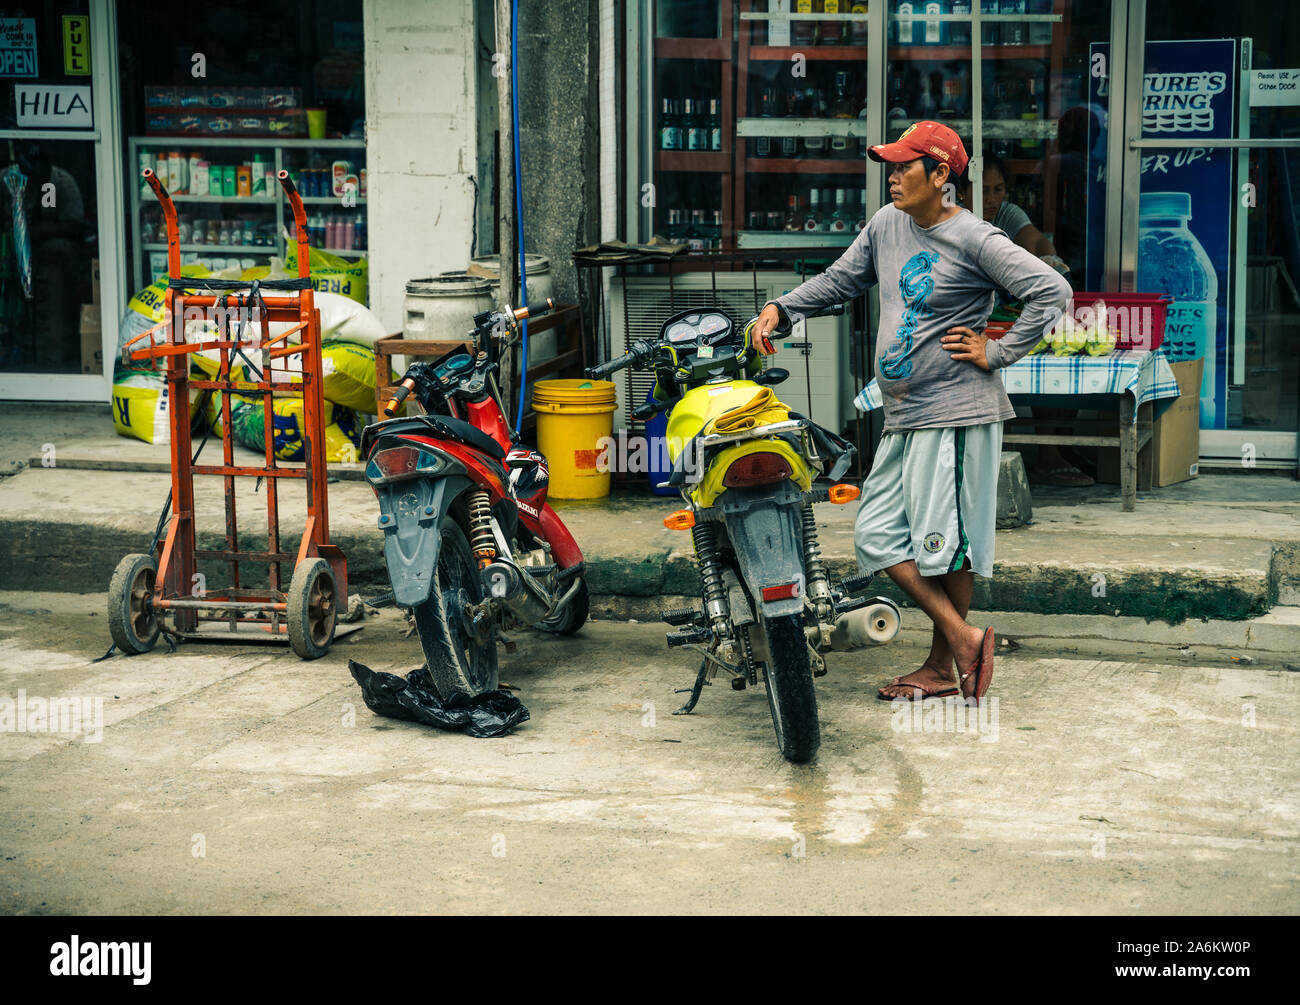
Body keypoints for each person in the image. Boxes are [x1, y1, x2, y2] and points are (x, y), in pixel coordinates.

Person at [751, 120, 1071, 703]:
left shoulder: (975, 239)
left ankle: (942, 665)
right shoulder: (887, 225)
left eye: (905, 167)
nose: (893, 177)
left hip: (954, 412)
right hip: (904, 413)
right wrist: (782, 308)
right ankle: (962, 638)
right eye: (891, 167)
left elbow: (1052, 292)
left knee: (944, 544)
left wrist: (997, 351)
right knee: (876, 535)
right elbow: (840, 280)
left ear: (941, 175)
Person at [961, 154, 1091, 486]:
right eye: (984, 190)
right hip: (968, 317)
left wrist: (1047, 257)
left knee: (1054, 366)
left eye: (998, 189)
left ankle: (1051, 454)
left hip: (1004, 315)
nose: (991, 199)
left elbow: (1034, 240)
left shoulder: (1006, 214)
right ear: (962, 191)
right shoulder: (956, 218)